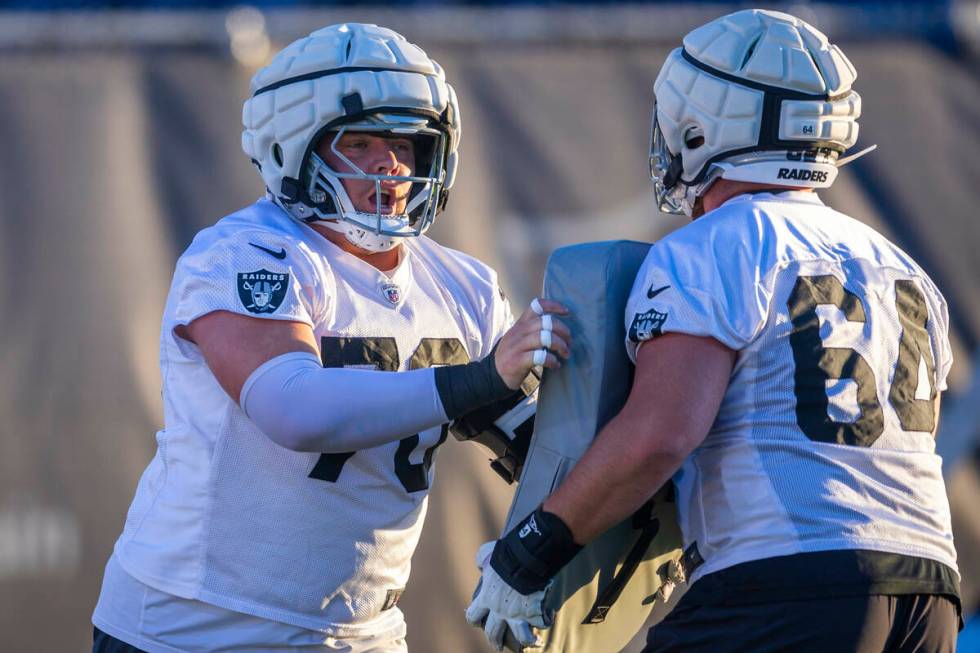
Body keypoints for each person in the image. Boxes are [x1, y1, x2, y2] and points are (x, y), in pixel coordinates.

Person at [466, 9, 961, 652]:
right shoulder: (900, 266)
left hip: (787, 584)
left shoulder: (716, 246)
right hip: (929, 592)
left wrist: (528, 552)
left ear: (702, 127)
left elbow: (660, 435)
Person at [91, 23, 571, 653]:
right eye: (363, 141)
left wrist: (556, 543)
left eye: (407, 143)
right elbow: (292, 408)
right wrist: (481, 376)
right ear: (292, 147)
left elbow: (537, 449)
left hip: (359, 633)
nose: (391, 164)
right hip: (195, 625)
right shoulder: (246, 252)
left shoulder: (463, 287)